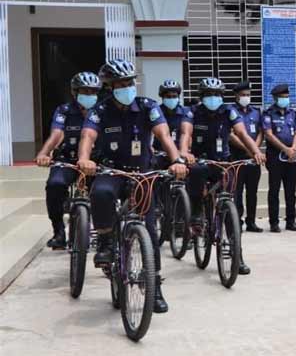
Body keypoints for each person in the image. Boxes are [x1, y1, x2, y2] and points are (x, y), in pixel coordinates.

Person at [77, 59, 188, 314]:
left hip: (142, 174)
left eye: (130, 83)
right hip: (111, 170)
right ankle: (105, 240)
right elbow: (88, 136)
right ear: (110, 86)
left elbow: (163, 135)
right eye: (121, 84)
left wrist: (177, 160)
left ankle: (155, 288)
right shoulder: (100, 110)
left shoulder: (148, 107)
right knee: (101, 192)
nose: (127, 88)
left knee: (149, 228)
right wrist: (84, 159)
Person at [189, 77, 264, 275]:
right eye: (209, 95)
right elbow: (185, 134)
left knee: (231, 207)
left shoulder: (228, 111)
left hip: (222, 162)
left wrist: (255, 151)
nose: (213, 98)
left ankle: (237, 255)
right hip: (200, 161)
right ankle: (197, 213)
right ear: (202, 96)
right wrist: (185, 153)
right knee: (195, 174)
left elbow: (242, 133)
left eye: (217, 95)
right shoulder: (194, 112)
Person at [35, 72, 102, 249]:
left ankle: (107, 236)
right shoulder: (64, 111)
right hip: (67, 161)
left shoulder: (103, 110)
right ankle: (58, 232)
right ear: (75, 92)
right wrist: (44, 153)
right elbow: (57, 134)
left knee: (105, 192)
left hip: (96, 163)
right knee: (54, 185)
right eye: (85, 91)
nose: (89, 95)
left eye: (93, 92)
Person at [153, 79, 194, 246]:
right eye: (168, 96)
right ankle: (156, 211)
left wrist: (185, 152)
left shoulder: (185, 112)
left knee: (186, 187)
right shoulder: (156, 112)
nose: (172, 98)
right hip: (159, 155)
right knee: (155, 180)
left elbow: (187, 134)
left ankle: (183, 229)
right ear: (162, 97)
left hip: (180, 156)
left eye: (175, 95)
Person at [262, 84, 296, 233]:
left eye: (287, 97)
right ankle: (274, 222)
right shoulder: (268, 113)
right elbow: (269, 134)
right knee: (274, 190)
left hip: (291, 156)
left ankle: (291, 221)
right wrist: (285, 149)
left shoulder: (292, 113)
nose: (285, 99)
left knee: (290, 191)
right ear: (275, 98)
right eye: (282, 97)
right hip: (275, 156)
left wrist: (293, 149)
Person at [230, 81, 263, 232]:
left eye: (248, 95)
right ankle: (238, 222)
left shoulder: (256, 111)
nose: (246, 97)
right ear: (236, 96)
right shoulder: (231, 111)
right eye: (243, 95)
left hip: (253, 158)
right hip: (237, 157)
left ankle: (251, 221)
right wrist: (249, 148)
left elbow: (261, 132)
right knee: (237, 191)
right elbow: (231, 134)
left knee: (252, 192)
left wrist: (255, 149)